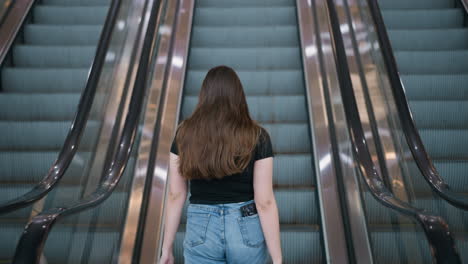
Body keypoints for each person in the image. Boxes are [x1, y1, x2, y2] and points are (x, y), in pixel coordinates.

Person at [159, 65, 282, 264]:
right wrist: (277, 259)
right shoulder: (257, 136)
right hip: (245, 226)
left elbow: (176, 195)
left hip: (201, 227)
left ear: (204, 95)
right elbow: (265, 201)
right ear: (238, 96)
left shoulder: (184, 134)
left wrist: (166, 248)